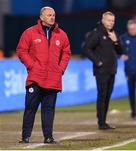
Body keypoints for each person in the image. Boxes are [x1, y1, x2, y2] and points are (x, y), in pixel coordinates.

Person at [16, 6, 71, 144]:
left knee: (48, 109)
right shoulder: (30, 32)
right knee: (30, 108)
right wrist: (32, 66)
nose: (52, 17)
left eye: (53, 15)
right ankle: (25, 136)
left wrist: (60, 69)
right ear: (41, 17)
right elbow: (21, 50)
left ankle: (48, 136)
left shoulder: (62, 35)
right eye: (49, 15)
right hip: (35, 77)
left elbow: (66, 53)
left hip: (53, 78)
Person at [83, 11, 122, 130]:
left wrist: (116, 41)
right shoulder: (97, 33)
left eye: (113, 21)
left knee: (107, 96)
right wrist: (97, 61)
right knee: (102, 95)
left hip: (111, 69)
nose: (111, 23)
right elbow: (86, 48)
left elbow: (120, 51)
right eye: (109, 20)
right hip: (101, 70)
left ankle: (103, 120)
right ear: (103, 20)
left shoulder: (113, 33)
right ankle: (101, 122)